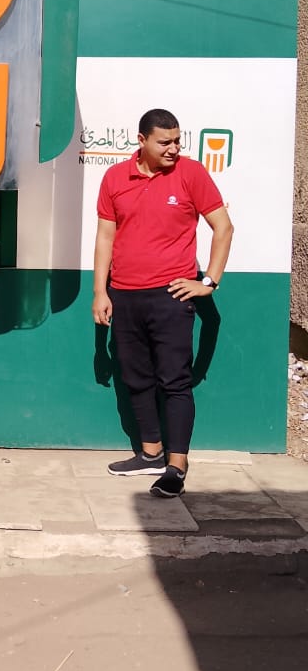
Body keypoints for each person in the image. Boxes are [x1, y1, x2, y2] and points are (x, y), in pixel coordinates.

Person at [92, 109, 234, 498]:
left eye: (177, 141)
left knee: (174, 381)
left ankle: (176, 465)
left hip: (171, 297)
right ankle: (150, 453)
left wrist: (209, 281)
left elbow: (223, 227)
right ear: (142, 141)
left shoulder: (191, 174)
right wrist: (100, 291)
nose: (174, 149)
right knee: (135, 377)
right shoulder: (115, 178)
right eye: (164, 142)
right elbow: (105, 236)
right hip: (124, 294)